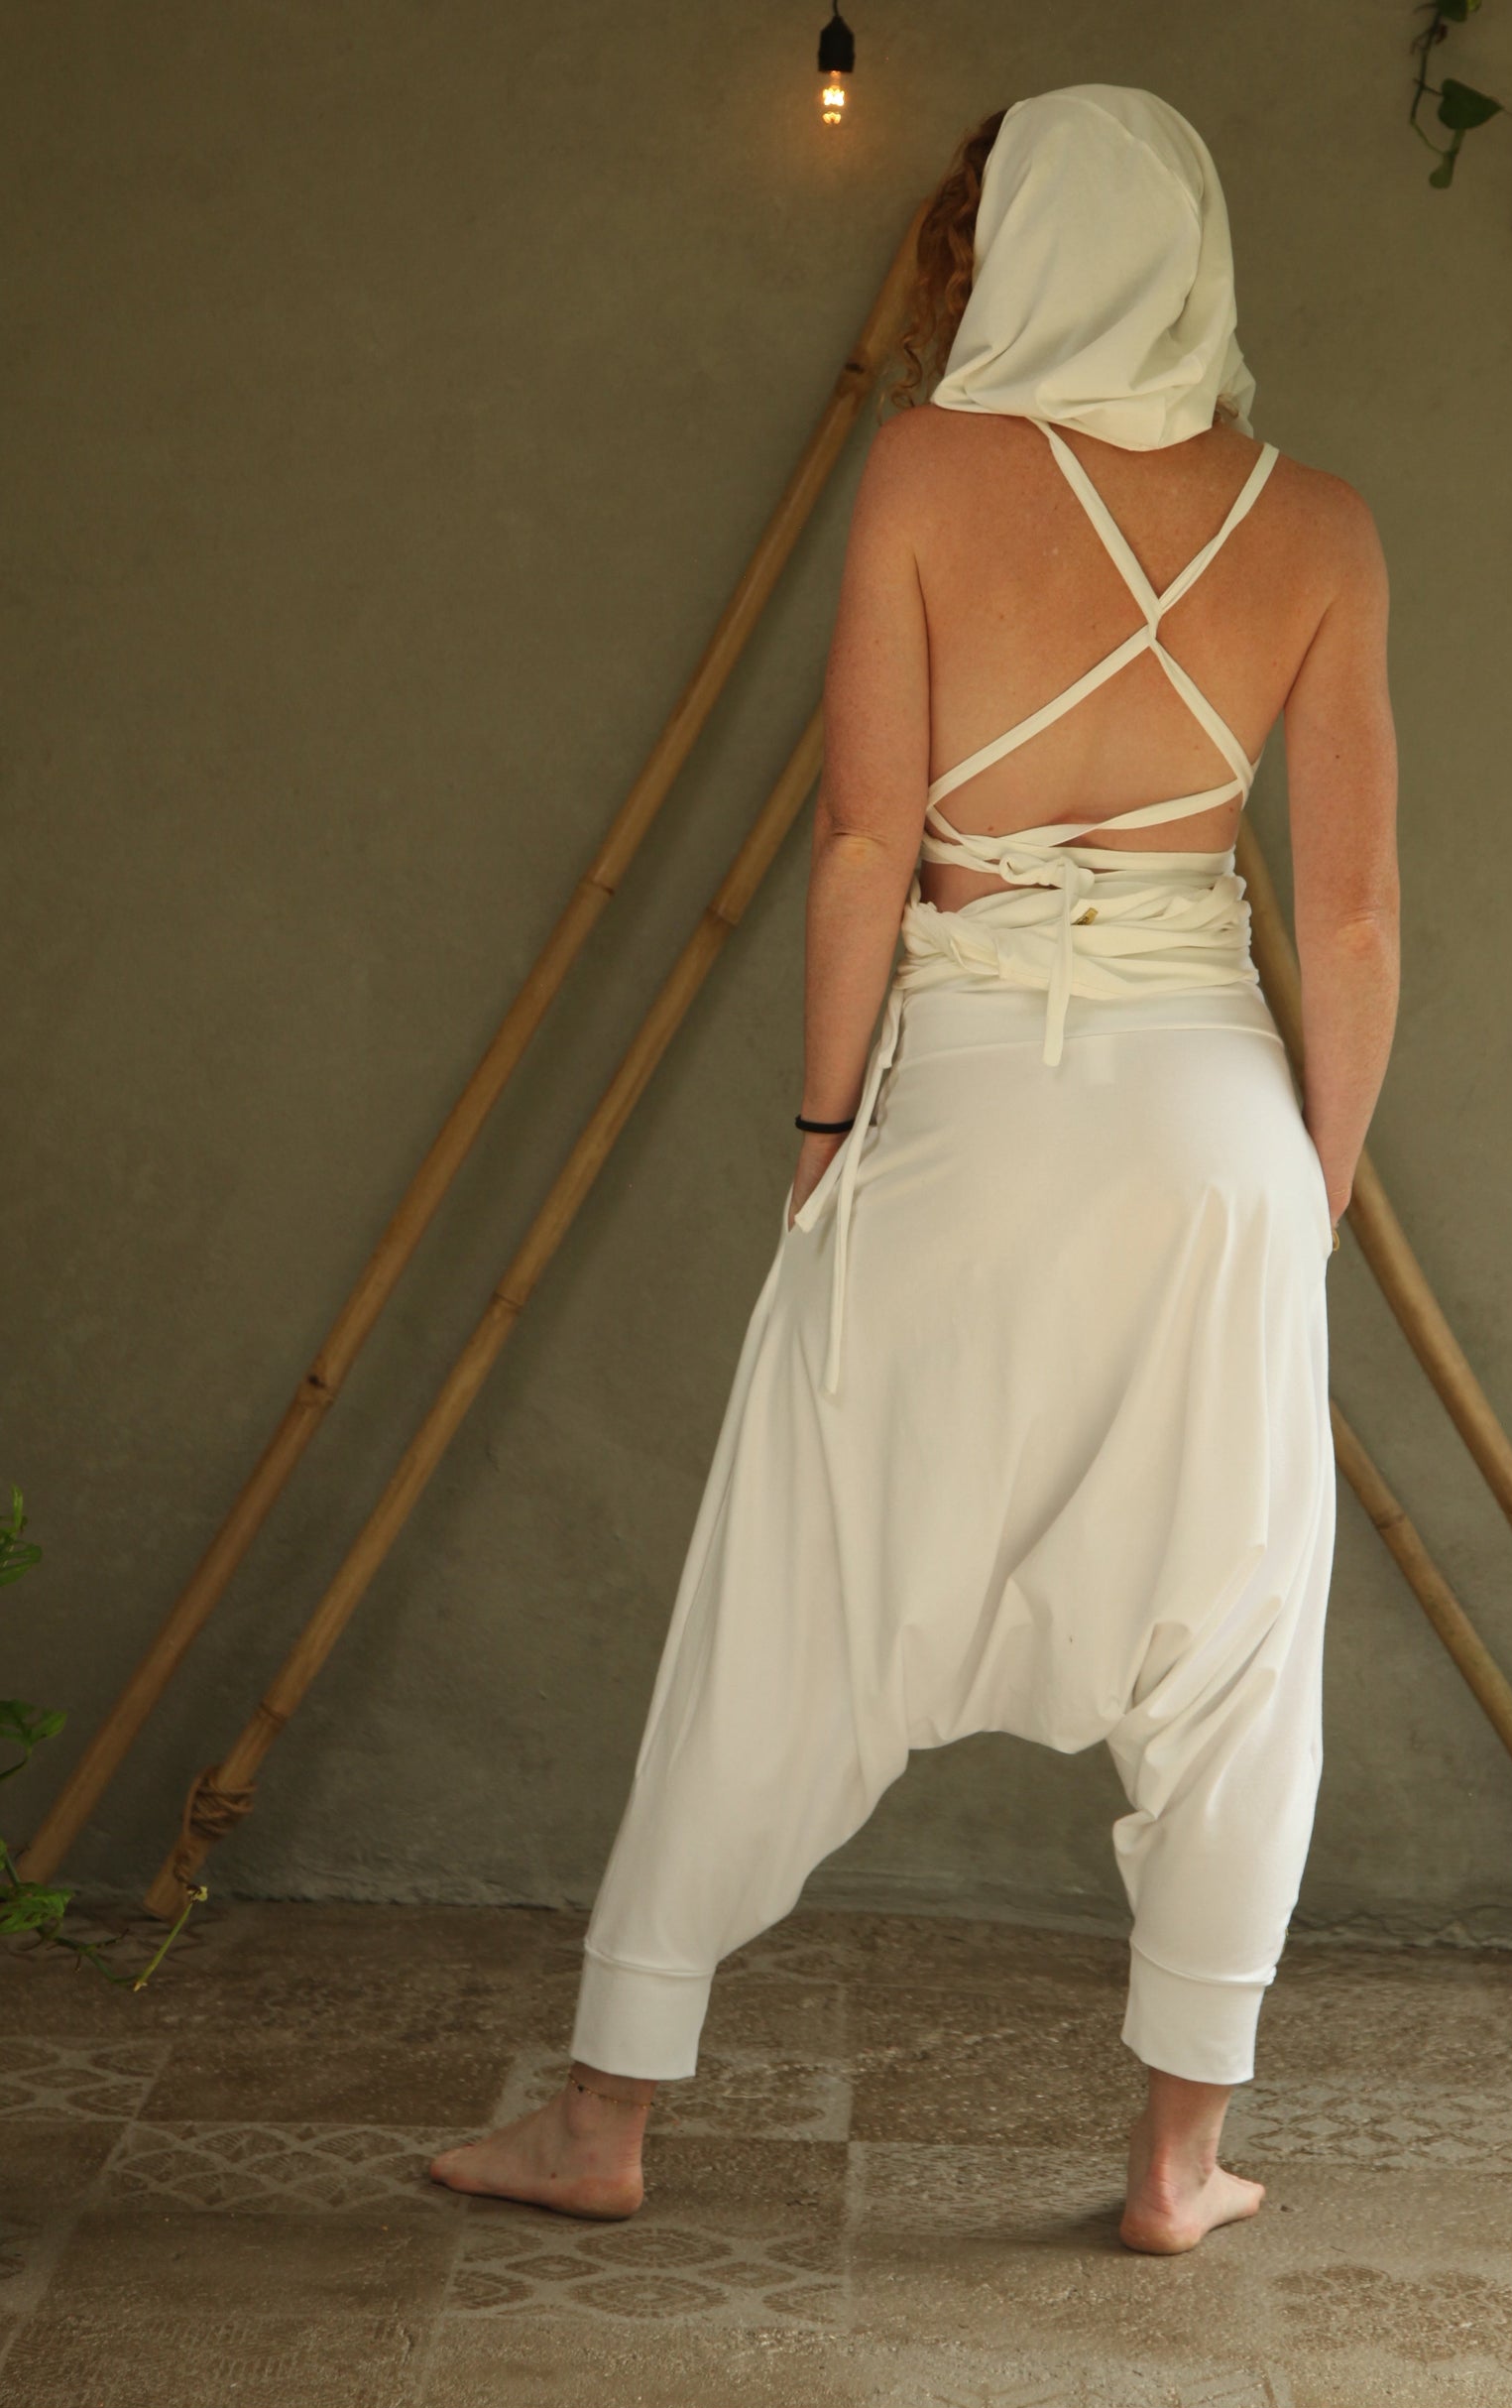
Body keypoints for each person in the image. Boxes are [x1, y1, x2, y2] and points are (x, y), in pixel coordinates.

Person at [431, 83, 1398, 2257]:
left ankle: (606, 2113)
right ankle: (1174, 2166)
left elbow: (869, 838)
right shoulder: (1319, 526)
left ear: (1023, 246)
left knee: (787, 1590)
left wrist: (817, 1130)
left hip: (966, 1098)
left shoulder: (930, 472)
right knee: (1241, 1641)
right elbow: (1346, 923)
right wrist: (1308, 1196)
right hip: (1219, 1131)